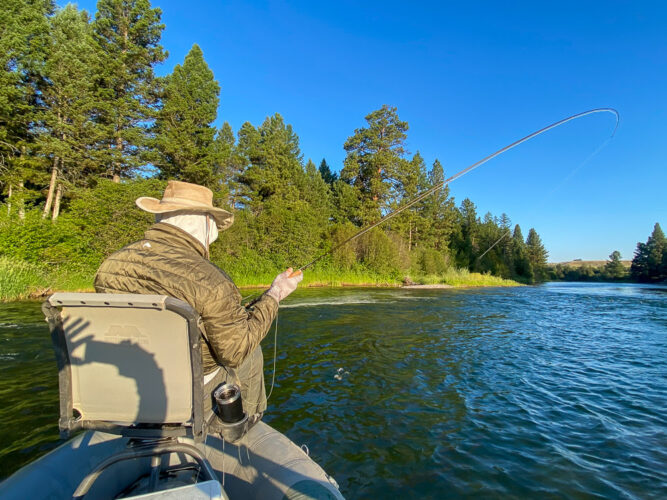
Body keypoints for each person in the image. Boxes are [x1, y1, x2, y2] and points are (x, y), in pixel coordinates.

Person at [94, 180, 303, 427]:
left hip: (126, 384)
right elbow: (236, 351)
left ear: (160, 217)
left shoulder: (110, 265)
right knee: (250, 352)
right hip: (190, 394)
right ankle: (245, 425)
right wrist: (275, 294)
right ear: (205, 222)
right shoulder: (210, 280)